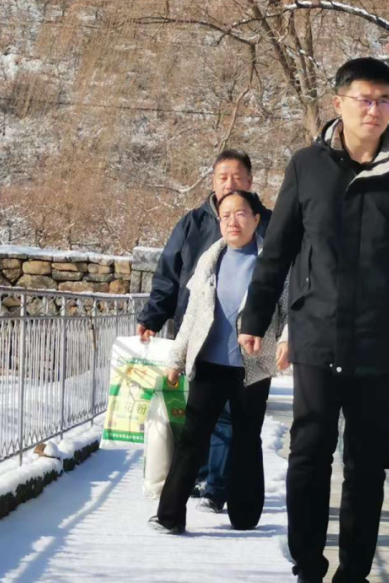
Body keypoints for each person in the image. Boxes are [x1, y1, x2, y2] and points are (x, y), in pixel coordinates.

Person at [239, 57, 389, 583]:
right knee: (309, 452)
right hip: (317, 330)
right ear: (339, 103)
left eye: (384, 100)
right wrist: (256, 317)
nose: (374, 110)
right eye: (363, 99)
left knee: (366, 464)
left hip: (382, 337)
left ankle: (353, 572)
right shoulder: (307, 166)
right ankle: (308, 565)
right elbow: (278, 249)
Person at [137, 150, 272, 513]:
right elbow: (169, 274)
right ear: (212, 182)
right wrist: (153, 316)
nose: (229, 183)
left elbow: (288, 289)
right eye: (222, 177)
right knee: (198, 422)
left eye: (237, 177)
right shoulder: (193, 224)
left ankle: (219, 488)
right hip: (201, 342)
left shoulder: (271, 227)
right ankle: (190, 491)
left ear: (250, 182)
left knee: (236, 426)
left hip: (251, 353)